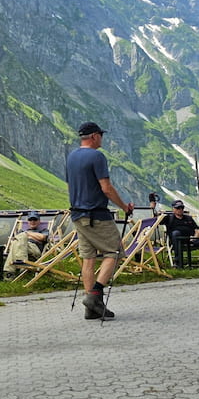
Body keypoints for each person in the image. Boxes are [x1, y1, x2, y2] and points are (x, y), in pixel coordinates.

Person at [66, 121, 133, 320]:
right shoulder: (97, 156)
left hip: (77, 214)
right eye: (101, 135)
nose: (102, 139)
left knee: (88, 259)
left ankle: (91, 310)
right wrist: (123, 207)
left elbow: (70, 187)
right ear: (94, 136)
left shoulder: (71, 157)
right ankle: (94, 296)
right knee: (114, 251)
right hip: (97, 215)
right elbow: (106, 188)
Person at [160, 200, 199, 267]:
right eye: (178, 208)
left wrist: (195, 237)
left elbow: (197, 229)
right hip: (177, 241)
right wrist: (160, 214)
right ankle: (178, 261)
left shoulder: (188, 218)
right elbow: (157, 221)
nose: (180, 210)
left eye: (182, 208)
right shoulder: (169, 218)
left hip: (191, 239)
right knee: (176, 233)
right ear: (173, 209)